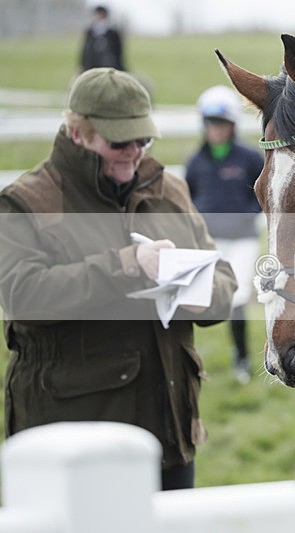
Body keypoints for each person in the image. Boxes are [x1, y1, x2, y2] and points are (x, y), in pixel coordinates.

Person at [0, 68, 237, 489]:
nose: (133, 152)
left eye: (142, 140)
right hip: (73, 448)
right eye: (118, 142)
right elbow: (22, 296)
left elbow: (222, 277)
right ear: (78, 133)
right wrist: (126, 265)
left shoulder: (171, 190)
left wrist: (206, 297)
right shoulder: (25, 202)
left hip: (170, 436)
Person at [184, 85, 264, 385]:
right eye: (210, 123)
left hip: (242, 240)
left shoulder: (250, 159)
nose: (215, 130)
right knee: (197, 297)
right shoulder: (195, 162)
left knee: (237, 297)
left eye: (220, 124)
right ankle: (189, 359)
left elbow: (262, 192)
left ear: (232, 125)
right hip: (208, 241)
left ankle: (241, 359)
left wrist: (247, 214)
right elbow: (188, 196)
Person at [78, 5, 125, 72]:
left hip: (109, 66)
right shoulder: (90, 32)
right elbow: (85, 50)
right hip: (92, 66)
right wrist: (82, 65)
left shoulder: (113, 33)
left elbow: (118, 51)